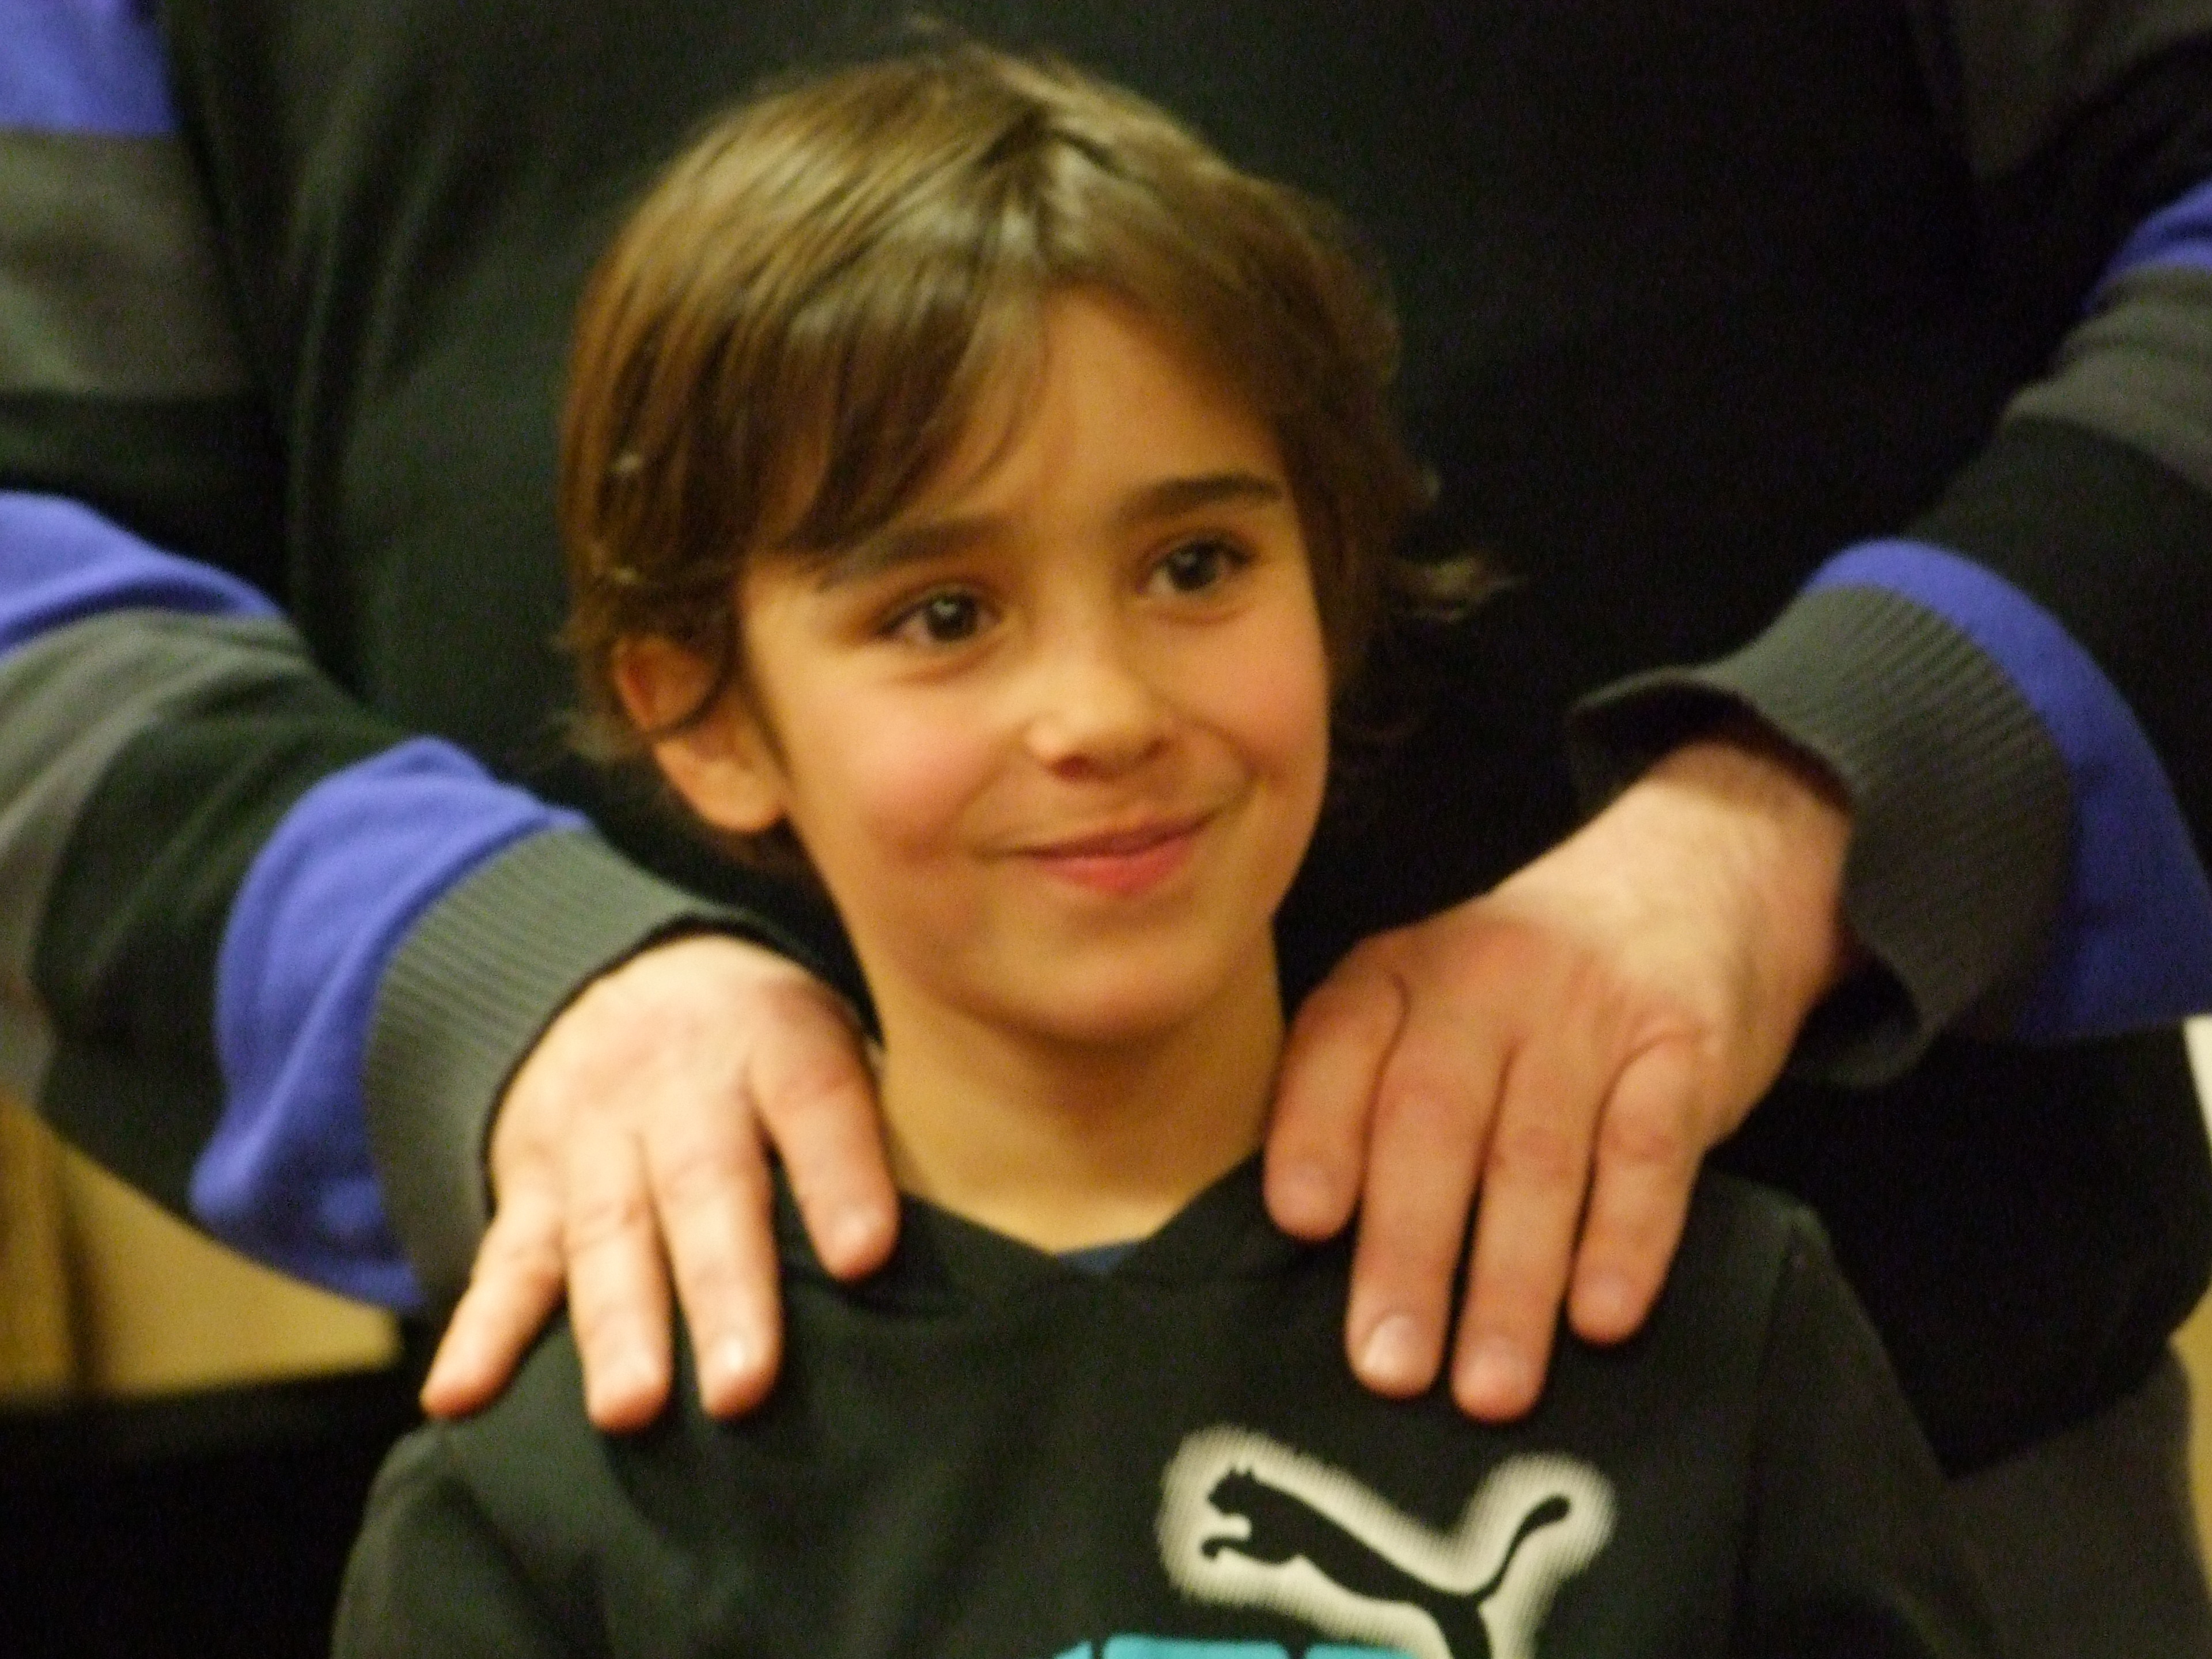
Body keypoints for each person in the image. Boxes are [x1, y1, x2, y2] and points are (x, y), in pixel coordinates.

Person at [2, 3, 2209, 1652]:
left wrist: (1834, 803)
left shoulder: (1749, 1351)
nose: (1095, 716)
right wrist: (448, 969)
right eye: (944, 611)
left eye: (1195, 568)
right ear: (696, 709)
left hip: (1938, 1404)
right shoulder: (555, 1516)